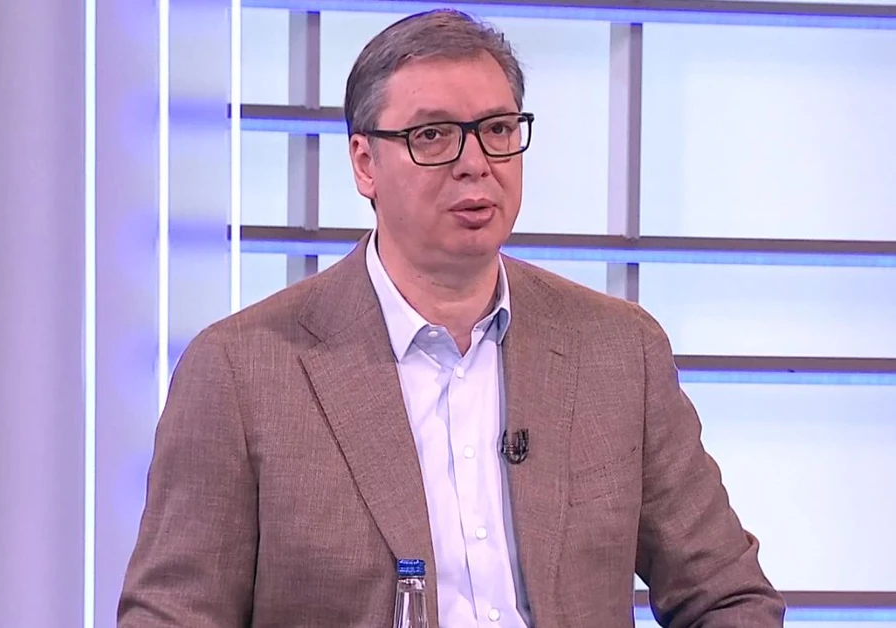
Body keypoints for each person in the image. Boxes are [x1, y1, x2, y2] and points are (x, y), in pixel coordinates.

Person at [118, 9, 785, 628]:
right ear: (364, 163)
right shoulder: (242, 371)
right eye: (433, 135)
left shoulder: (617, 351)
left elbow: (729, 597)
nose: (475, 164)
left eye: (497, 131)